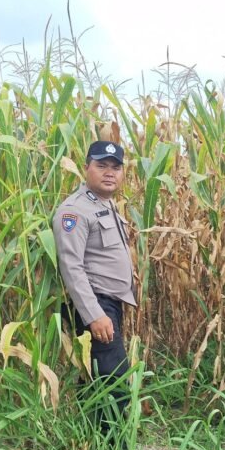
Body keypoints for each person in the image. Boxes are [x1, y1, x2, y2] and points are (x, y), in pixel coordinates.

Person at [53, 140, 135, 430]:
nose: (109, 173)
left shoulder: (105, 204)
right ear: (86, 167)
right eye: (101, 166)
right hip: (96, 307)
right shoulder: (74, 211)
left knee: (98, 382)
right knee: (114, 384)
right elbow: (71, 267)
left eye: (116, 167)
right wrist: (94, 315)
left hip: (109, 304)